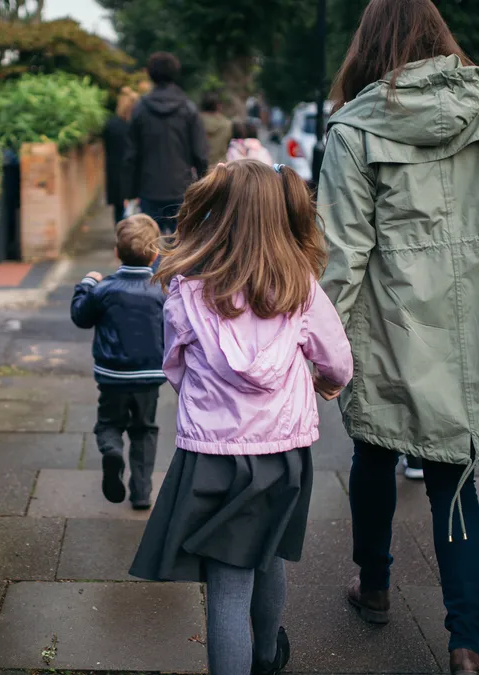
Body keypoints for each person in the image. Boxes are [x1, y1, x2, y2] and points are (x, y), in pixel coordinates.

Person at [315, 1, 479, 674]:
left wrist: (317, 350)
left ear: (368, 44)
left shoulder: (354, 127)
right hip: (473, 324)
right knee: (455, 477)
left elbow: (342, 254)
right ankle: (465, 644)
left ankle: (376, 584)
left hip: (388, 326)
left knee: (375, 453)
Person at [131, 160, 354, 675]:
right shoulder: (300, 286)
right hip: (282, 453)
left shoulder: (187, 290)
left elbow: (174, 366)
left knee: (228, 584)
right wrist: (324, 382)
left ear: (218, 213)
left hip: (211, 457)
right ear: (279, 216)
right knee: (269, 555)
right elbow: (338, 361)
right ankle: (267, 655)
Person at [70, 214, 167, 510]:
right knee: (144, 430)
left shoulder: (105, 289)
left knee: (109, 424)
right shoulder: (161, 290)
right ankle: (141, 493)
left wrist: (86, 283)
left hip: (112, 375)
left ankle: (112, 451)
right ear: (155, 254)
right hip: (149, 376)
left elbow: (80, 317)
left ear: (116, 252)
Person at [124, 52, 209, 235]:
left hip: (149, 189)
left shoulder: (140, 109)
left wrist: (131, 192)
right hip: (181, 188)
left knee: (149, 245)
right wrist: (203, 187)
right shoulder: (188, 108)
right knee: (184, 245)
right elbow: (200, 154)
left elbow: (131, 155)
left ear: (150, 74)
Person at [104, 88, 140, 224]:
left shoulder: (111, 125)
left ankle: (121, 238)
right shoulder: (137, 126)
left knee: (119, 211)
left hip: (115, 173)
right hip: (133, 174)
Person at [200, 92, 232, 166]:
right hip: (220, 167)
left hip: (200, 168)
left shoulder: (196, 122)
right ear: (218, 106)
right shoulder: (227, 124)